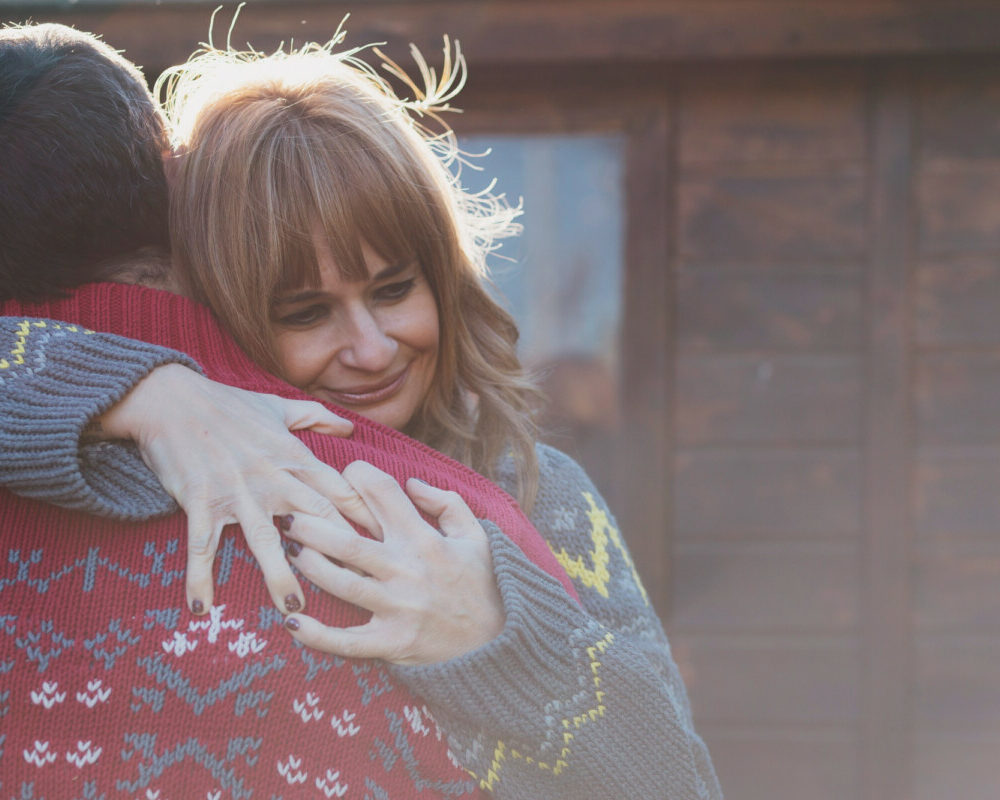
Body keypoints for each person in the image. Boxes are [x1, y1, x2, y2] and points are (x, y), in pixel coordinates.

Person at [0, 23, 723, 800]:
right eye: (306, 312)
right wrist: (141, 389)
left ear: (441, 276)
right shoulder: (147, 431)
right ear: (214, 293)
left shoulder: (537, 495)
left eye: (392, 290)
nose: (372, 349)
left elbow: (680, 782)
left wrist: (496, 637)